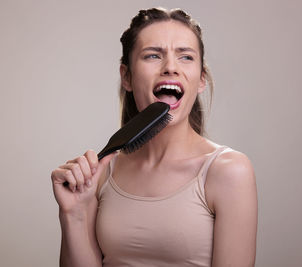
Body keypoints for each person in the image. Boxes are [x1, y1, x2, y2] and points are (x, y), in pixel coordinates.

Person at [51, 7, 257, 267]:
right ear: (126, 76)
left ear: (201, 79)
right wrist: (74, 213)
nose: (170, 67)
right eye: (152, 56)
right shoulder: (102, 173)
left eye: (185, 57)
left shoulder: (228, 171)